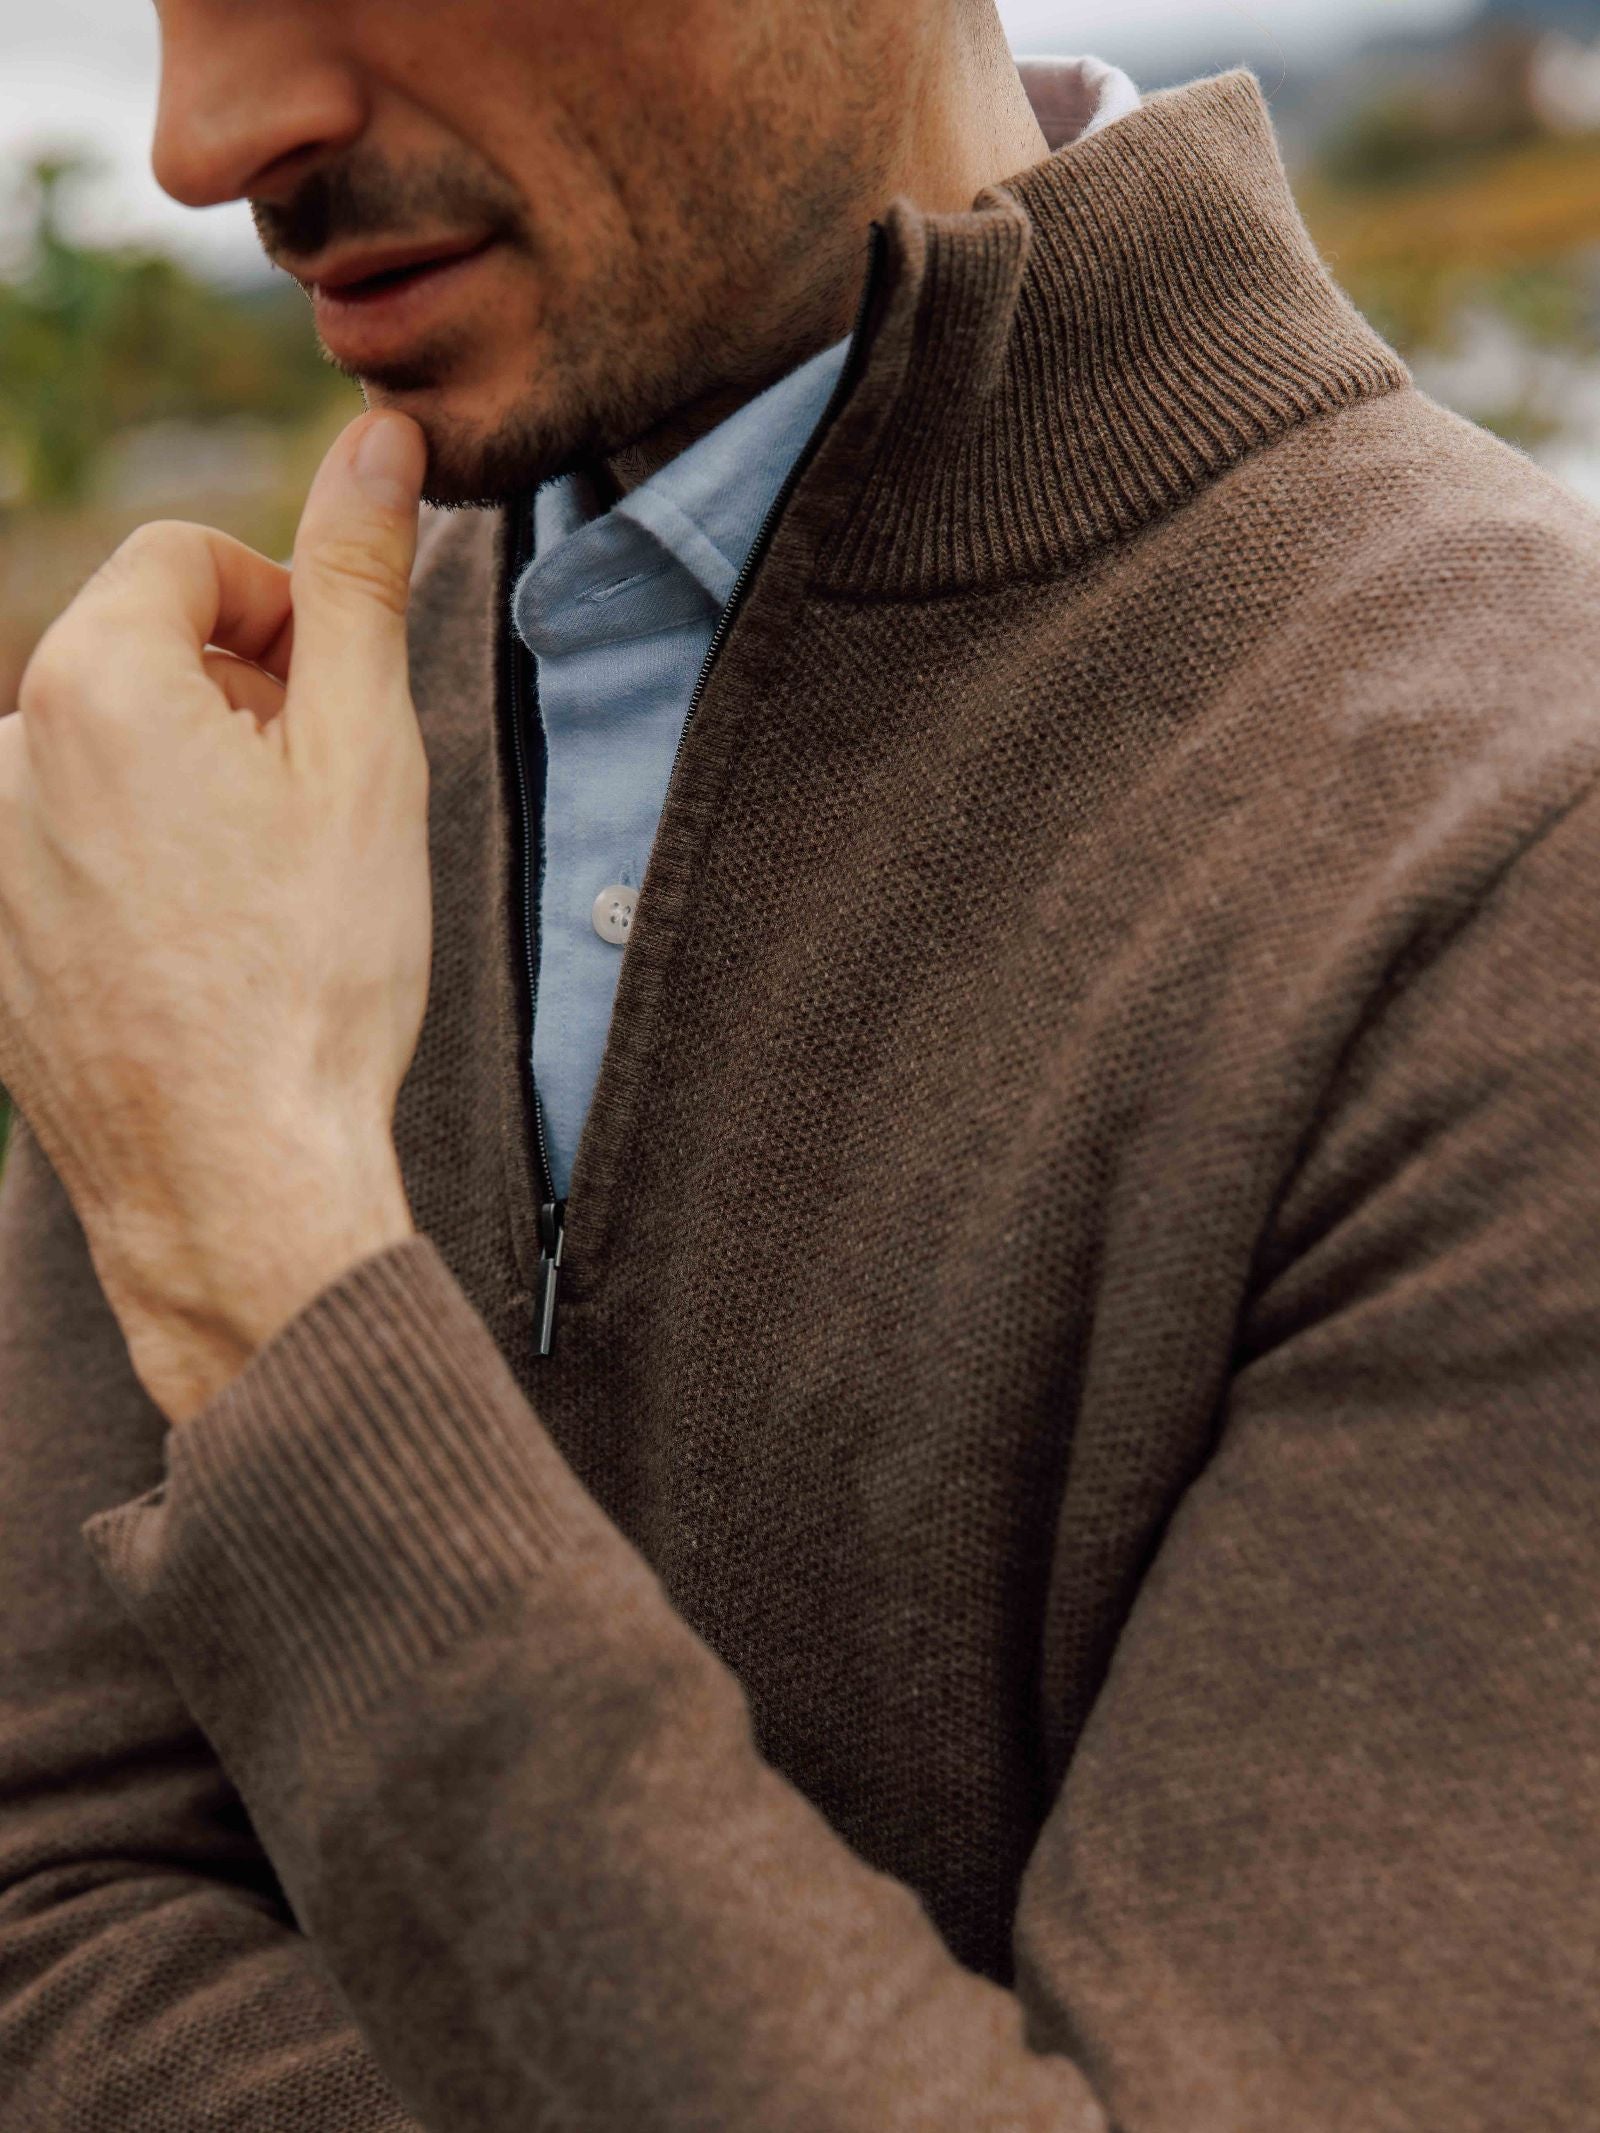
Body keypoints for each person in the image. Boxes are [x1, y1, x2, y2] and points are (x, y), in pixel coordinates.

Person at [0, 2, 1596, 2126]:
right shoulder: (243, 771)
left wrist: (266, 1280)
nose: (208, 138)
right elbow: (41, 1886)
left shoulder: (1518, 863)